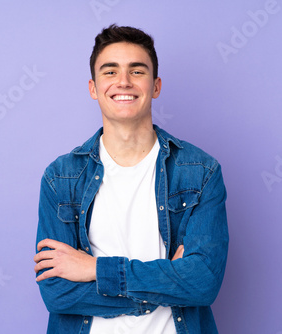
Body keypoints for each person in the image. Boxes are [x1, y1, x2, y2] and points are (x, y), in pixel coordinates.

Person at [34, 24, 228, 334]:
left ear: (156, 86)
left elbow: (202, 282)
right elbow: (58, 293)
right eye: (110, 72)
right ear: (93, 88)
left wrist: (95, 269)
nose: (123, 81)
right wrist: (165, 287)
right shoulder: (61, 178)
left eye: (137, 71)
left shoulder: (200, 172)